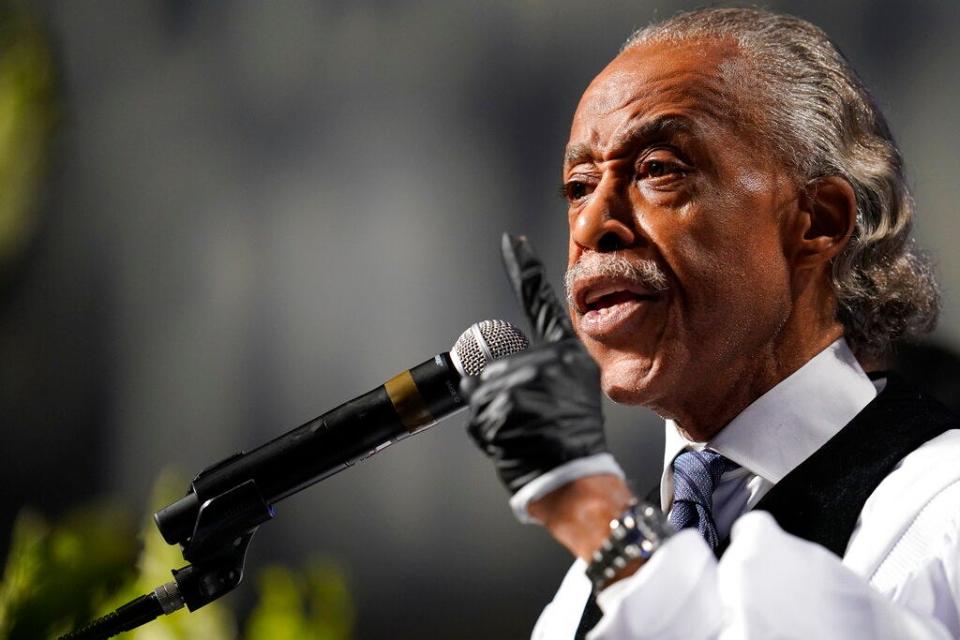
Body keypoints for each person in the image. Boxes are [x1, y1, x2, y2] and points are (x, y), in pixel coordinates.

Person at [463, 8, 960, 639]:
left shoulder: (944, 509)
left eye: (659, 170)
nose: (591, 226)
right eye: (579, 185)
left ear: (820, 220)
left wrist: (594, 514)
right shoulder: (576, 605)